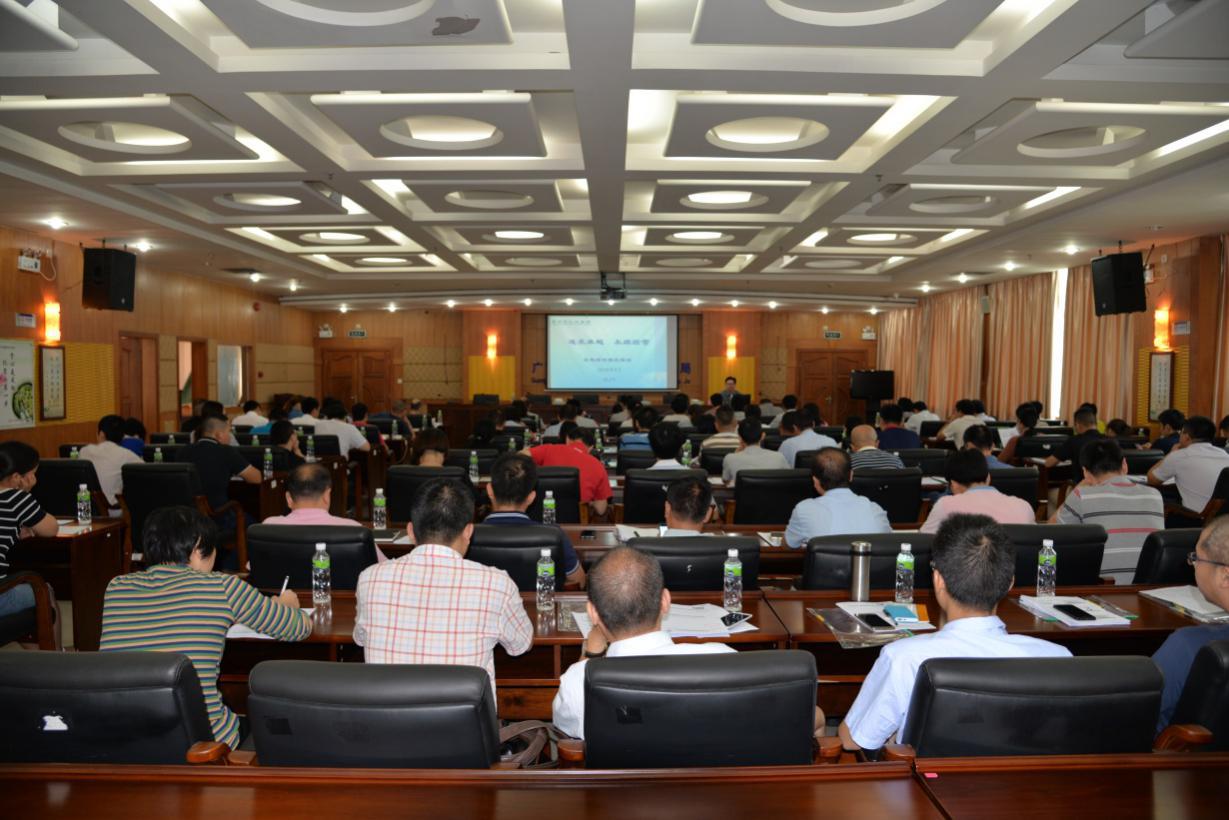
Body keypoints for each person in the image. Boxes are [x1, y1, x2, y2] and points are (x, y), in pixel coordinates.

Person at [839, 514, 1071, 752]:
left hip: (928, 776)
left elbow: (852, 741)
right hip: (1023, 776)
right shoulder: (1059, 659)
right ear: (1009, 583)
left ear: (938, 581)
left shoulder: (904, 658)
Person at [100, 506, 309, 749]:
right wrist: (288, 605)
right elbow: (297, 628)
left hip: (124, 739)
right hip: (203, 745)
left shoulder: (116, 588)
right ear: (199, 549)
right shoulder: (222, 587)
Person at [354, 478, 532, 690]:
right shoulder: (496, 584)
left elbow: (360, 638)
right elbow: (521, 644)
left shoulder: (370, 579)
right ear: (468, 531)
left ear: (410, 531)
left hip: (386, 711)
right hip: (463, 713)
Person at [552, 546, 734, 739]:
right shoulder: (726, 660)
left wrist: (590, 655)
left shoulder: (577, 682)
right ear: (665, 601)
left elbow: (566, 732)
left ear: (593, 613)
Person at [1152, 516, 1229, 733]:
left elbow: (1139, 714)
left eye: (1196, 558)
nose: (1192, 564)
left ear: (1225, 576)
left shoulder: (1189, 646)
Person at [1053, 439, 1163, 581]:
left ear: (1085, 472)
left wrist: (1079, 487)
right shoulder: (1155, 495)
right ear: (1124, 464)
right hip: (1149, 586)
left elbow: (1050, 535)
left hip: (1103, 586)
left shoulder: (1082, 495)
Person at [483, 452, 584, 587]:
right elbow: (579, 581)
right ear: (531, 497)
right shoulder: (553, 535)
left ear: (489, 490)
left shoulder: (468, 536)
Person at [785, 448, 891, 548]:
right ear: (851, 475)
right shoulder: (875, 510)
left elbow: (789, 545)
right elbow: (887, 544)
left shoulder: (804, 509)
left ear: (815, 481)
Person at [0, 442, 59, 616]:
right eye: (32, 474)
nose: (35, 480)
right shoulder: (15, 498)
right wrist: (25, 493)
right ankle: (51, 637)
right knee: (45, 591)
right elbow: (51, 529)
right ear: (16, 477)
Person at [921, 450, 1035, 533]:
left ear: (953, 484)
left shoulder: (945, 505)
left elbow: (924, 542)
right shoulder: (1024, 506)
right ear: (988, 478)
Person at [178, 415, 261, 517]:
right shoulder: (226, 451)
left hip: (186, 515)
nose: (230, 436)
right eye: (229, 432)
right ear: (219, 435)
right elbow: (256, 479)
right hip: (218, 514)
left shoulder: (182, 451)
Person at [528, 422, 612, 518]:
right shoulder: (598, 466)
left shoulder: (548, 449)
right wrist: (590, 503)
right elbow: (601, 510)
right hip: (578, 524)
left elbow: (519, 457)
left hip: (540, 519)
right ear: (591, 448)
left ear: (567, 439)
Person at [1148, 415, 1229, 514]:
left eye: (1181, 433)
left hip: (1195, 518)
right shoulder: (1224, 454)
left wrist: (1171, 454)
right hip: (1222, 517)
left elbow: (1151, 480)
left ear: (1186, 437)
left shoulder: (1180, 456)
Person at [79, 413, 143, 508]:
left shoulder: (84, 451)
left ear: (101, 434)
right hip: (114, 509)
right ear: (122, 436)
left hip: (86, 508)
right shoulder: (127, 455)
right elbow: (146, 473)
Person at [722, 419, 789, 484]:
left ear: (740, 438)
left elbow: (726, 481)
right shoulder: (779, 457)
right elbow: (790, 478)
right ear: (763, 436)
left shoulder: (730, 458)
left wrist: (735, 455)